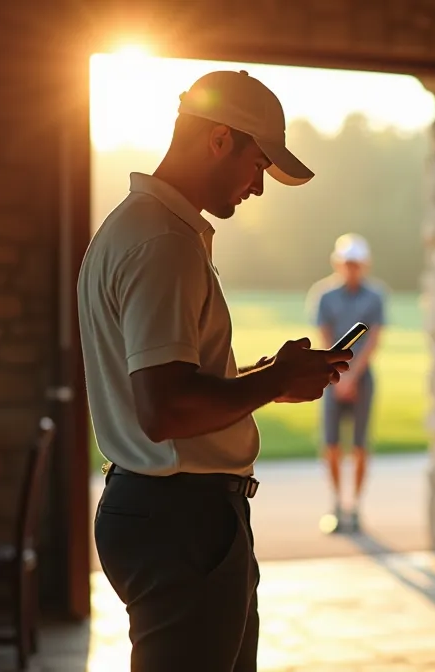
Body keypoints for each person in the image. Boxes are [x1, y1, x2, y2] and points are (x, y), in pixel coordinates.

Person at [78, 70, 352, 672]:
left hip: (168, 513)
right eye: (258, 164)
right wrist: (276, 380)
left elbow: (173, 387)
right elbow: (165, 410)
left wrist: (270, 377)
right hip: (181, 520)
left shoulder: (144, 227)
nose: (258, 189)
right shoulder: (163, 242)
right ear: (219, 138)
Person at [306, 233, 387, 533]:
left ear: (364, 265)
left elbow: (374, 339)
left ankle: (356, 507)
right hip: (332, 377)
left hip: (362, 378)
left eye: (357, 264)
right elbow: (325, 336)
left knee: (361, 444)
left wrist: (352, 376)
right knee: (331, 444)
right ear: (338, 263)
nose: (352, 268)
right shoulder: (324, 295)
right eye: (348, 263)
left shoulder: (375, 296)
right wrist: (339, 377)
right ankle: (338, 504)